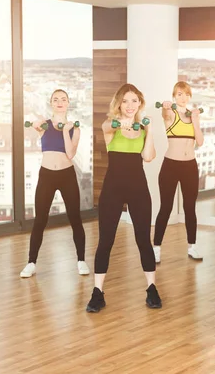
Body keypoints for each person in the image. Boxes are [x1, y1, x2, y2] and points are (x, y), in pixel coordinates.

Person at [86, 83, 161, 313]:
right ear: (119, 103)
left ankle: (152, 288)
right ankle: (98, 293)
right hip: (113, 188)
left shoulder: (143, 127)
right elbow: (107, 125)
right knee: (106, 240)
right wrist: (121, 123)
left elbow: (148, 157)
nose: (130, 105)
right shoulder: (111, 126)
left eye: (134, 101)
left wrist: (150, 132)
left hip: (138, 187)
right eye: (125, 101)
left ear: (140, 104)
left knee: (143, 240)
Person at [20, 89, 88, 278]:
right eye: (56, 99)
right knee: (40, 220)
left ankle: (81, 260)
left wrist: (66, 131)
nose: (60, 102)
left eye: (63, 99)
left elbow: (71, 154)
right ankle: (31, 263)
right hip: (47, 176)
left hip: (67, 175)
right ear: (51, 103)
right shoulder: (44, 125)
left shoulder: (75, 129)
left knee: (75, 219)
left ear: (68, 103)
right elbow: (34, 123)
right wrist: (35, 123)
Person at [154, 81, 204, 262]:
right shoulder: (171, 113)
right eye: (179, 94)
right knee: (166, 208)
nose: (183, 98)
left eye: (186, 94)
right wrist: (166, 107)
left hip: (190, 166)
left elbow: (200, 141)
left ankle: (193, 246)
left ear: (190, 96)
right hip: (171, 166)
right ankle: (156, 248)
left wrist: (196, 121)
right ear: (174, 96)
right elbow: (165, 113)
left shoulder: (193, 116)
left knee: (190, 208)